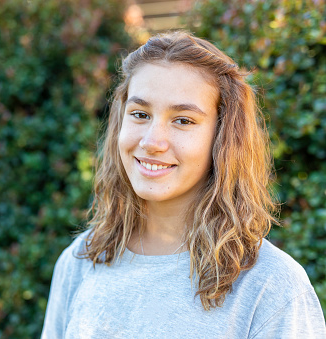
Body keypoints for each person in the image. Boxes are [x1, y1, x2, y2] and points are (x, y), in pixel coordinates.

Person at [41, 31, 326, 338]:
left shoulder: (271, 286)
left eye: (183, 120)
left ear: (222, 138)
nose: (152, 142)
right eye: (140, 114)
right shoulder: (81, 261)